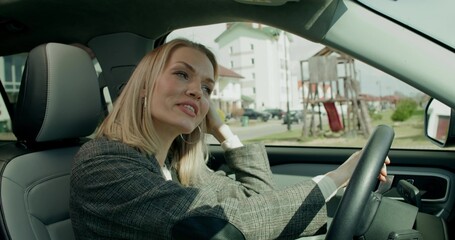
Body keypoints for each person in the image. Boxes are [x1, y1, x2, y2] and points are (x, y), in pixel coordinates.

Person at [69, 38, 390, 240]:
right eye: (182, 74)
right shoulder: (102, 164)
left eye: (207, 88)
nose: (197, 90)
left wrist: (223, 131)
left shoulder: (176, 165)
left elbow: (255, 197)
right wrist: (336, 177)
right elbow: (221, 225)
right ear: (143, 86)